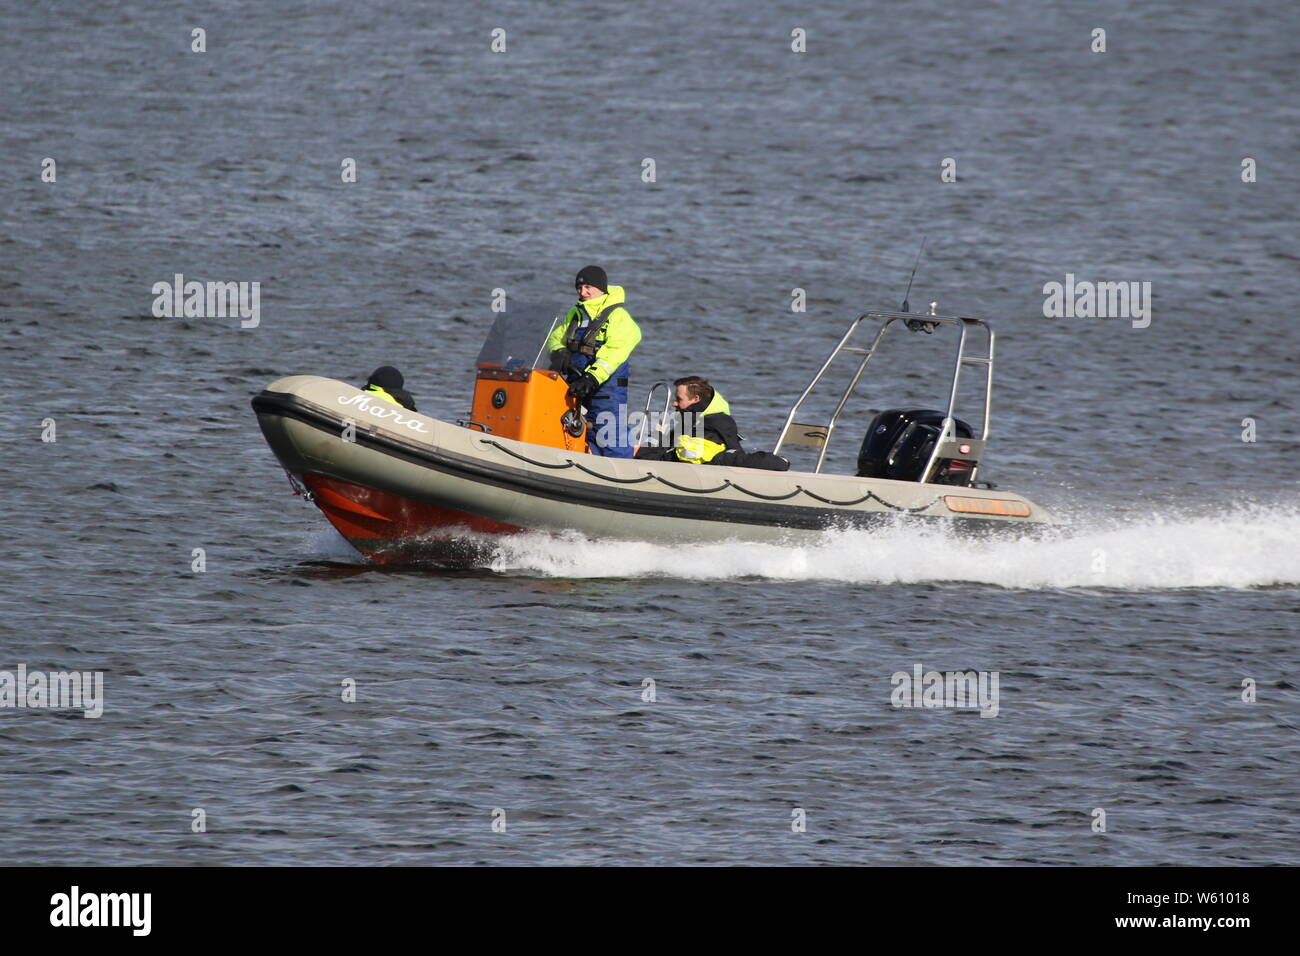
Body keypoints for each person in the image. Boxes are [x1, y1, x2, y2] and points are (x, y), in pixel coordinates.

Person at [547, 266, 641, 457]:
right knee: (582, 430)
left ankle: (620, 471)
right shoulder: (577, 313)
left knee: (608, 431)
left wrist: (592, 378)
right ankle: (589, 464)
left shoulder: (617, 316)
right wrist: (559, 352)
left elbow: (614, 352)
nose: (583, 292)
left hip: (606, 385)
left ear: (601, 288)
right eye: (579, 288)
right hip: (577, 383)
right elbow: (555, 337)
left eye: (588, 287)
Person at [637, 376, 789, 470]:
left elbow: (734, 454)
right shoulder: (689, 418)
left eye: (679, 400)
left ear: (695, 399)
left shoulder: (713, 425)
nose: (674, 404)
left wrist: (642, 453)